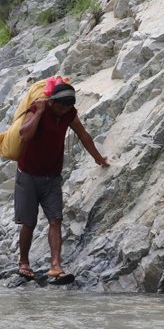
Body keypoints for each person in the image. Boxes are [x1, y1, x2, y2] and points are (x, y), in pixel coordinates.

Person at [14, 83, 109, 284]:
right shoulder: (38, 108)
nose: (63, 111)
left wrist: (98, 158)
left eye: (67, 108)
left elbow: (83, 136)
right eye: (60, 107)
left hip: (52, 176)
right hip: (28, 175)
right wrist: (39, 112)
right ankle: (24, 263)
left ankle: (56, 266)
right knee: (29, 222)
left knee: (55, 219)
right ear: (52, 102)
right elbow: (25, 134)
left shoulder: (69, 113)